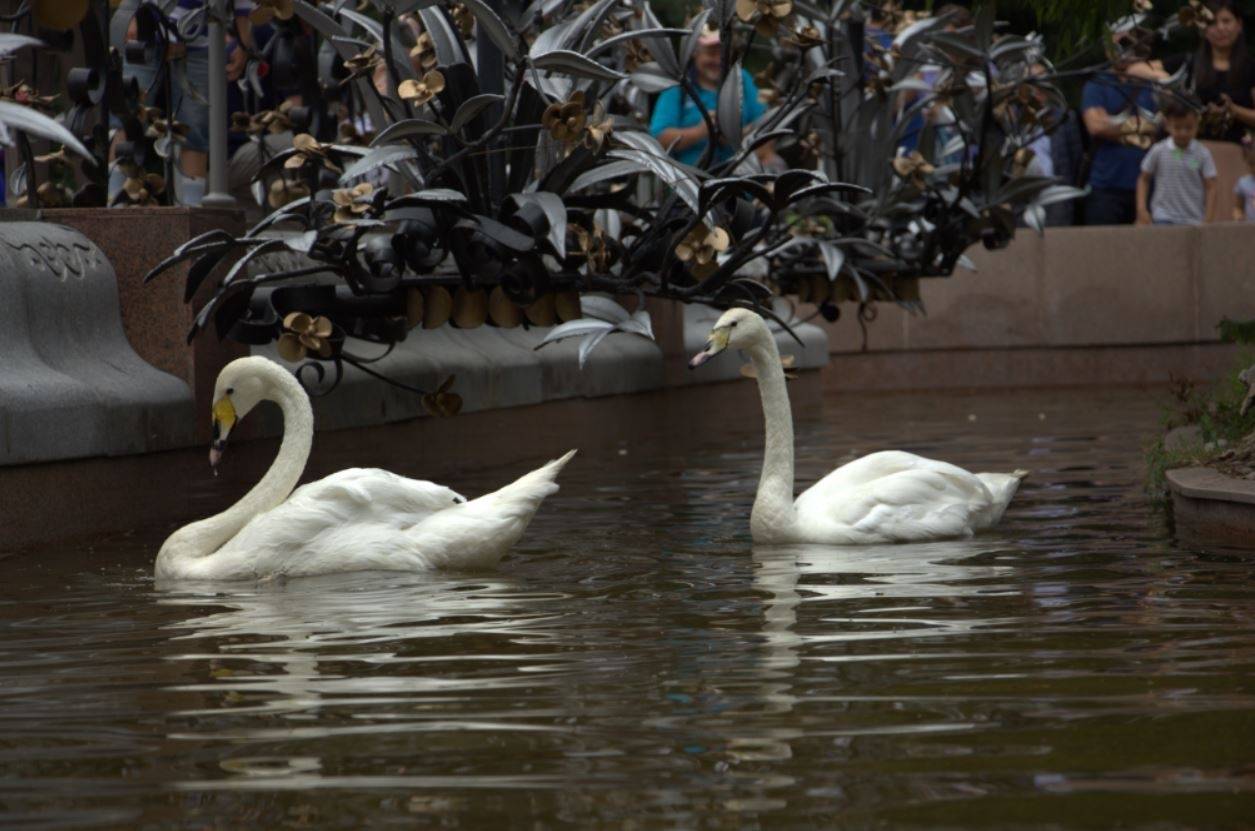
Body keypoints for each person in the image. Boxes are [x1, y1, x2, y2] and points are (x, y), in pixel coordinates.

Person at [648, 29, 783, 170]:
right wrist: (702, 131)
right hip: (691, 181)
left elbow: (767, 125)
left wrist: (733, 133)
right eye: (711, 53)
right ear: (695, 53)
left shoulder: (741, 78)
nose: (718, 60)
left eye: (723, 54)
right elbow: (659, 138)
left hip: (740, 178)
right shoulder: (678, 85)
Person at [1081, 27, 1160, 225]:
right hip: (1105, 187)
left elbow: (1168, 121)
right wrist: (1141, 128)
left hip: (1147, 185)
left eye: (1126, 43)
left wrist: (1151, 74)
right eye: (1115, 44)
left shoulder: (1149, 82)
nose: (1121, 50)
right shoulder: (1097, 84)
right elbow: (1096, 126)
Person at [1164, 0, 1255, 143]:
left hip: (1233, 153)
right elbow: (1139, 69)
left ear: (1239, 25)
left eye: (1226, 21)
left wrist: (1233, 110)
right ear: (1203, 28)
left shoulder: (1251, 68)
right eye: (1212, 23)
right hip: (1189, 152)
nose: (1220, 28)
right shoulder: (1187, 63)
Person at [1136, 96, 1217, 225]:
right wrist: (1141, 209)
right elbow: (1144, 178)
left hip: (1193, 219)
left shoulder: (1202, 153)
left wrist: (1208, 218)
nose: (1183, 133)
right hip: (1163, 217)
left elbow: (1211, 186)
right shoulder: (1159, 150)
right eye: (1178, 127)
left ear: (1197, 123)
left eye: (1189, 127)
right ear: (1167, 124)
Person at [1233, 134, 1255, 220]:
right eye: (1251, 163)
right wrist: (1238, 216)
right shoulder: (1243, 182)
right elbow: (1238, 207)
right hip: (1250, 229)